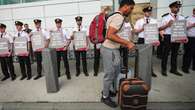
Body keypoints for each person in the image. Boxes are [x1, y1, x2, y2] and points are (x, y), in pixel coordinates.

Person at [100, 0, 135, 108]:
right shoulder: (119, 17)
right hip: (109, 49)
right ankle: (105, 96)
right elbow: (110, 35)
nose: (131, 11)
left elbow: (113, 34)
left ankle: (108, 90)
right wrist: (127, 42)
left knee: (116, 71)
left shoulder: (115, 15)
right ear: (125, 6)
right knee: (109, 73)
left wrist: (123, 43)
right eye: (131, 8)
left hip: (113, 49)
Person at [159, 1, 187, 76]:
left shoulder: (181, 17)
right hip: (168, 36)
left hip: (177, 36)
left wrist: (185, 37)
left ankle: (173, 69)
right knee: (166, 53)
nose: (177, 8)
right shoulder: (165, 17)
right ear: (171, 8)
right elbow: (160, 28)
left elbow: (183, 29)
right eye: (176, 7)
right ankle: (163, 69)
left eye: (178, 7)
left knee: (175, 54)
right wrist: (167, 25)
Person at [133, 6, 158, 77]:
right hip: (141, 39)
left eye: (150, 11)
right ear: (144, 12)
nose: (149, 13)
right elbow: (135, 32)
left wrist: (156, 40)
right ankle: (139, 71)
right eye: (147, 11)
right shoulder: (139, 21)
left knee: (150, 56)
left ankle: (150, 71)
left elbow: (156, 31)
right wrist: (142, 29)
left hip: (150, 39)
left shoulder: (154, 21)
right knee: (140, 56)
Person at [93, 6, 111, 76]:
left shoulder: (108, 18)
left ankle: (107, 70)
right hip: (98, 40)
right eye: (104, 10)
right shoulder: (97, 18)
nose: (105, 12)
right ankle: (95, 71)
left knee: (106, 57)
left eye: (106, 11)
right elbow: (94, 29)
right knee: (96, 56)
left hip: (106, 41)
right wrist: (94, 39)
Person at [182, 8, 195, 73]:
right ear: (193, 11)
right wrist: (192, 25)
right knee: (188, 54)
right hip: (189, 38)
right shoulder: (188, 18)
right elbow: (184, 28)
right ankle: (185, 68)